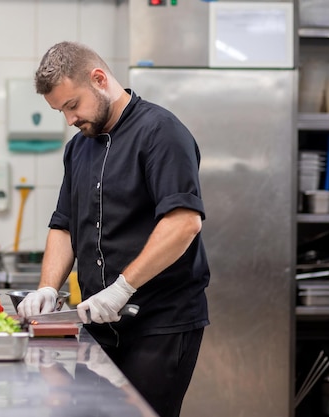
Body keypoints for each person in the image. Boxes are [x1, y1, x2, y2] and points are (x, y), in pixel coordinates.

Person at [17, 41, 210, 417]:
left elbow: (184, 223)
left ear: (100, 79)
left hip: (160, 324)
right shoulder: (78, 149)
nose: (69, 120)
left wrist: (122, 288)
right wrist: (47, 287)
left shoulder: (161, 132)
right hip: (101, 324)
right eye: (61, 111)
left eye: (72, 105)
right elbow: (64, 225)